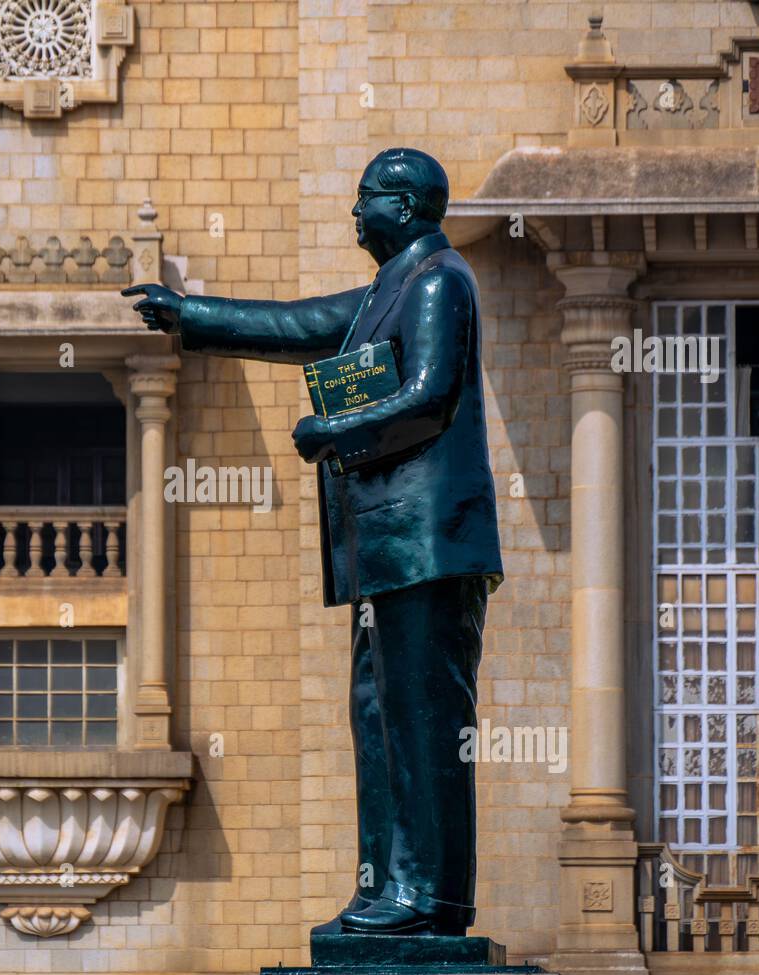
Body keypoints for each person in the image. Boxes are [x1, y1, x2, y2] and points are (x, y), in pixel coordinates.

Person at [123, 147, 503, 935]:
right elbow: (297, 324)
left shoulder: (438, 281)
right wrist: (187, 314)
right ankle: (384, 887)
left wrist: (331, 431)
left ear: (404, 206)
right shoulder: (386, 291)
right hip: (388, 552)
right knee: (376, 714)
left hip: (430, 545)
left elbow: (429, 396)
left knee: (422, 716)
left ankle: (429, 897)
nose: (354, 213)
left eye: (365, 199)